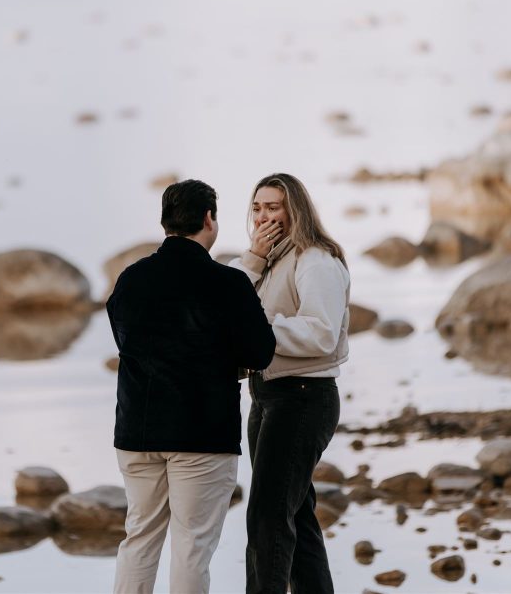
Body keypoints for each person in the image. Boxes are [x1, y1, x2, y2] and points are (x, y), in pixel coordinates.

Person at [108, 179, 276, 594]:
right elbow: (260, 354)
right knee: (192, 549)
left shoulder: (130, 280)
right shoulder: (227, 283)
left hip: (137, 433)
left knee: (139, 540)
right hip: (200, 435)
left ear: (165, 223)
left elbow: (128, 343)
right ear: (209, 220)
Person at [228, 173, 350, 594]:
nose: (263, 216)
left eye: (273, 207)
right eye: (257, 208)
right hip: (266, 396)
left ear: (294, 209)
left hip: (303, 397)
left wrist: (259, 332)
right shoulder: (270, 259)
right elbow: (227, 308)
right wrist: (252, 259)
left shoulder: (315, 260)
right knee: (295, 516)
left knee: (266, 517)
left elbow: (321, 332)